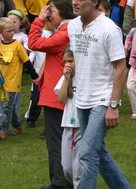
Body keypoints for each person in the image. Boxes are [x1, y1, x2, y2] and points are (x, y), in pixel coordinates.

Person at [68, 0, 130, 189]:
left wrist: (113, 105)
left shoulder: (109, 29)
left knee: (87, 153)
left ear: (94, 3)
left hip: (102, 99)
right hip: (82, 97)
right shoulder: (73, 25)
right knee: (97, 150)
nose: (75, 2)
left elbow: (121, 69)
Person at [29, 0, 75, 189]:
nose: (49, 14)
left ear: (63, 11)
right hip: (61, 94)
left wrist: (39, 19)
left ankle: (59, 183)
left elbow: (34, 43)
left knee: (56, 142)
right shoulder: (69, 30)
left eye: (52, 10)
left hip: (57, 97)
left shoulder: (65, 34)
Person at [0, 17, 40, 141]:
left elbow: (26, 61)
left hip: (13, 82)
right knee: (11, 107)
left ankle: (3, 130)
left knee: (7, 107)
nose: (12, 33)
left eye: (13, 30)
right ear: (0, 32)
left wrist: (34, 75)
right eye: (8, 31)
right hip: (1, 82)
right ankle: (17, 125)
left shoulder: (17, 45)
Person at [55, 47, 81, 189]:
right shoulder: (65, 78)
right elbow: (61, 99)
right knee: (66, 168)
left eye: (71, 61)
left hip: (82, 126)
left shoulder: (84, 76)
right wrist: (66, 78)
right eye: (65, 61)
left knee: (78, 168)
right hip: (67, 125)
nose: (67, 64)